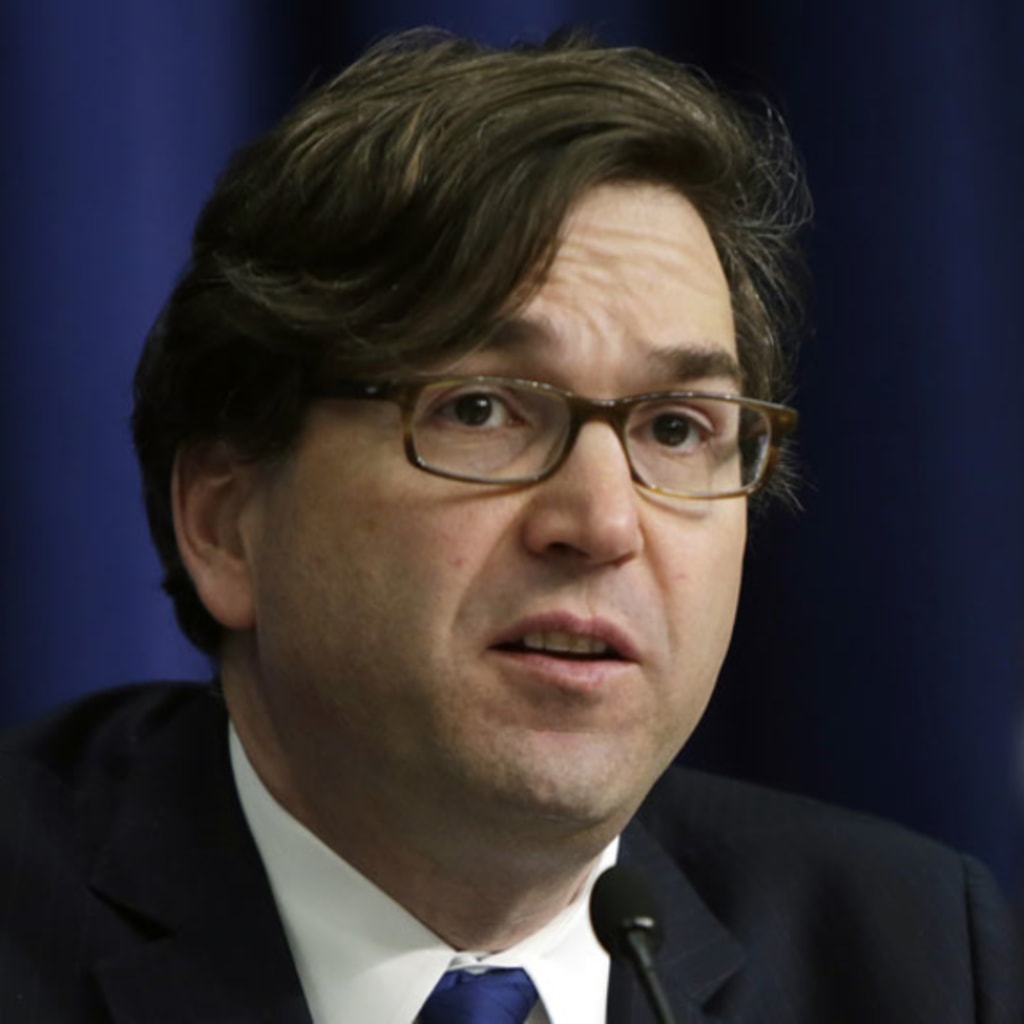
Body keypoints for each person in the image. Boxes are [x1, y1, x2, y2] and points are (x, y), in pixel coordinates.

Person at [0, 28, 1020, 1024]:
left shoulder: (915, 955)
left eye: (675, 427)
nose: (603, 522)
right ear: (226, 523)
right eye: (481, 410)